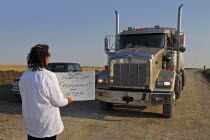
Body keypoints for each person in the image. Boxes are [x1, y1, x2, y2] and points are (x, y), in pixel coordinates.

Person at [19, 44, 72, 140]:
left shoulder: (25, 74)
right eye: (48, 55)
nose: (49, 57)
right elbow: (58, 101)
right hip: (46, 126)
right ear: (44, 58)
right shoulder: (48, 76)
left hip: (31, 124)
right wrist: (67, 100)